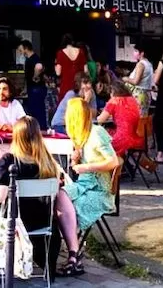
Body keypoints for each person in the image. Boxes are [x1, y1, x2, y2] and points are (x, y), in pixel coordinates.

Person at [0, 116, 85, 277]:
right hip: (43, 226)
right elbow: (57, 191)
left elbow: (0, 196)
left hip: (14, 226)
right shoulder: (48, 163)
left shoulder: (9, 161)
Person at [63, 98, 120, 231]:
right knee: (59, 197)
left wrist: (86, 167)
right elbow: (77, 168)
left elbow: (114, 161)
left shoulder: (96, 132)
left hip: (100, 191)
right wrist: (75, 160)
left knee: (70, 207)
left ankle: (74, 245)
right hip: (84, 185)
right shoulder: (79, 135)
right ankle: (69, 240)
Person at [96, 82, 144, 156]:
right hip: (134, 138)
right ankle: (123, 165)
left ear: (113, 92)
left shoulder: (114, 101)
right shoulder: (132, 100)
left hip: (121, 140)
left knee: (99, 140)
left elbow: (100, 120)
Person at [122, 43, 155, 113]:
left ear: (142, 53)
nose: (134, 53)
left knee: (137, 118)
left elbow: (135, 81)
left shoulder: (140, 64)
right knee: (143, 119)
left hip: (139, 95)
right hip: (146, 94)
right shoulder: (149, 64)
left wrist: (125, 79)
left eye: (136, 51)